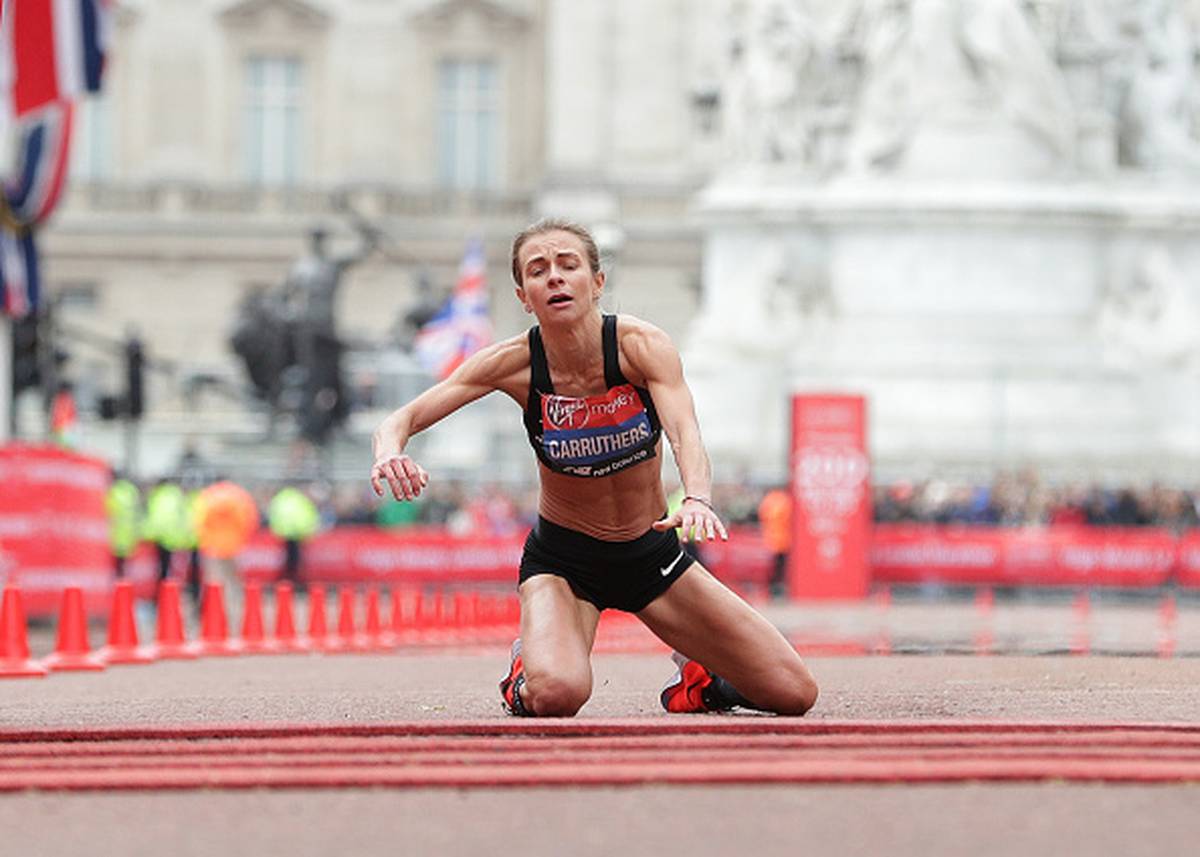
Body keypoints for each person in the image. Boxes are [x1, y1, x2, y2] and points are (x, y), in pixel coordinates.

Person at [371, 219, 818, 717]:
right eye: (538, 271)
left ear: (597, 282)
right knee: (558, 695)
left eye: (568, 265)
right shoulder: (513, 364)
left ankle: (702, 679)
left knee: (794, 693)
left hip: (652, 558)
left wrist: (697, 496)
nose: (555, 278)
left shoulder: (639, 348)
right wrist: (390, 451)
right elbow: (403, 417)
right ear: (524, 296)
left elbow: (684, 431)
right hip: (565, 564)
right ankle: (528, 671)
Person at [757, 486, 793, 600]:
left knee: (772, 569)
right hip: (784, 540)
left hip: (770, 540)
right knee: (781, 569)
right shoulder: (786, 500)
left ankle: (772, 591)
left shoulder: (768, 500)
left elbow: (762, 517)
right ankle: (778, 591)